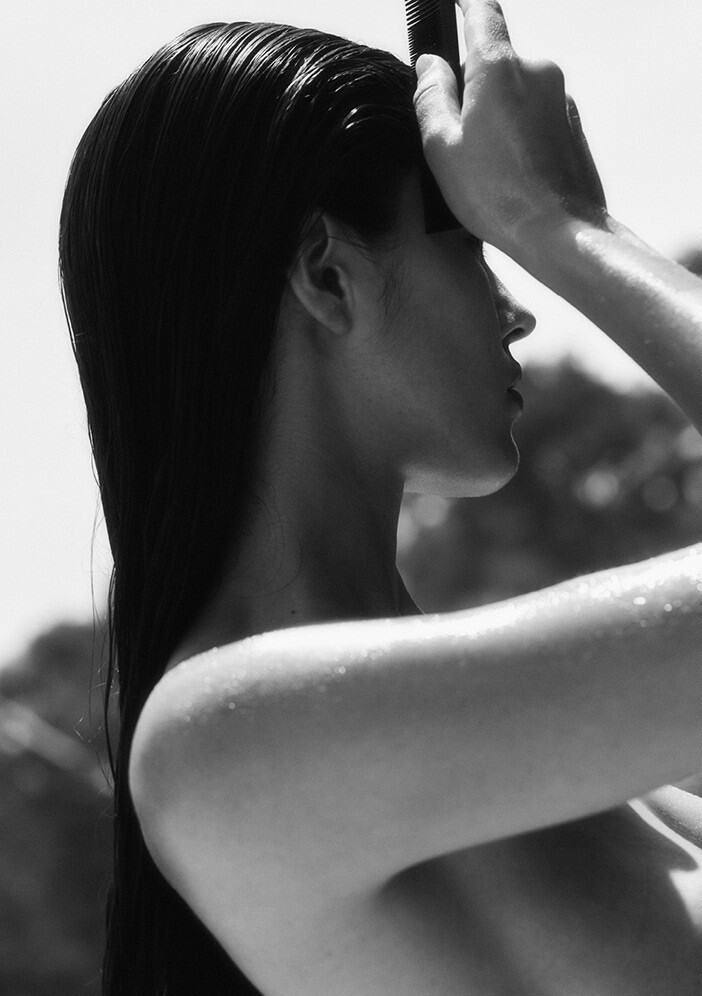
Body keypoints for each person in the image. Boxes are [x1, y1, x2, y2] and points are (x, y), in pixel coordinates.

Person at [59, 1, 702, 993]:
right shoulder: (228, 748)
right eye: (474, 243)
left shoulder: (611, 768)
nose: (519, 310)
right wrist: (563, 223)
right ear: (327, 275)